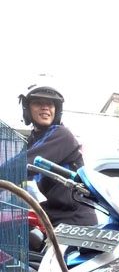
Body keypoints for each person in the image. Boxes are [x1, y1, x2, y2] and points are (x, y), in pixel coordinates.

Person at [19, 82, 97, 227]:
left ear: (57, 109)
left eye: (50, 104)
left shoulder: (61, 135)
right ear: (27, 109)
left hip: (73, 220)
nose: (45, 107)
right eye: (38, 103)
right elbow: (21, 176)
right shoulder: (34, 140)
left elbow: (19, 166)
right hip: (54, 215)